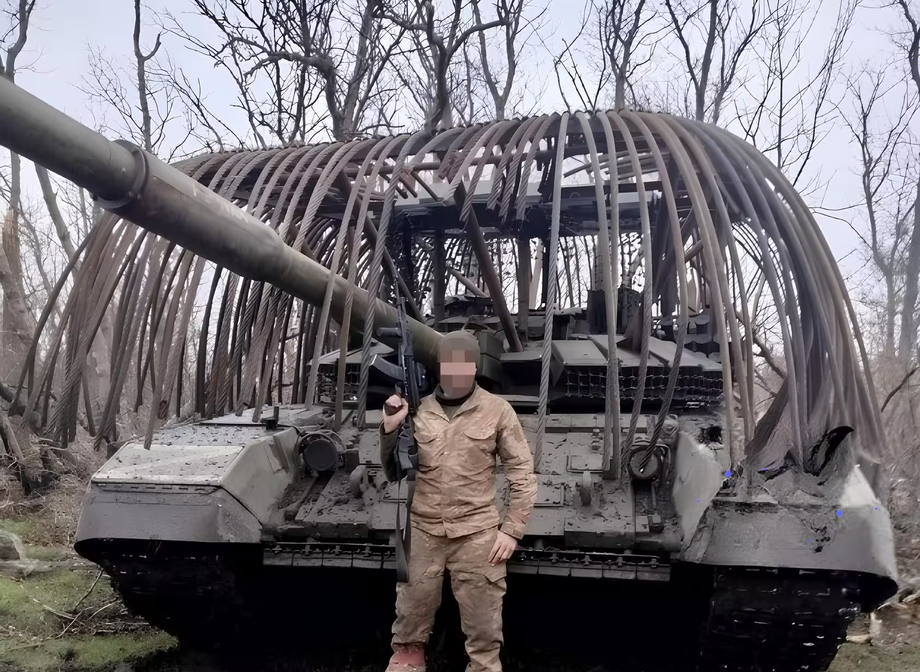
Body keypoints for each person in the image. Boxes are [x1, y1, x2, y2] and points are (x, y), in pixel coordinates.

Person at [380, 330, 537, 672]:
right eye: (449, 364)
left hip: (477, 535)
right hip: (424, 533)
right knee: (408, 632)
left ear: (475, 367)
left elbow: (522, 474)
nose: (456, 371)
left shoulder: (498, 411)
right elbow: (394, 472)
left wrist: (511, 530)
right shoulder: (417, 411)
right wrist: (391, 428)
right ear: (439, 368)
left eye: (464, 364)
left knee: (483, 639)